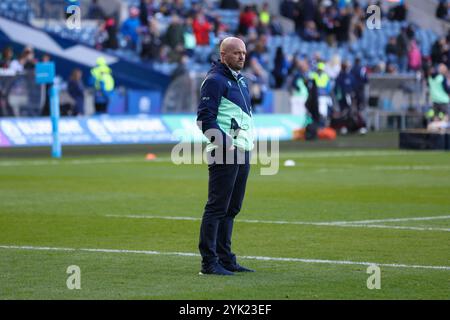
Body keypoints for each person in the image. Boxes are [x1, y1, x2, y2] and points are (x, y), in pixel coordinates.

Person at [196, 37, 255, 276]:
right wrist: (224, 143)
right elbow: (204, 118)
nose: (242, 56)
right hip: (225, 153)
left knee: (232, 208)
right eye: (236, 53)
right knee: (217, 208)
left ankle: (225, 258)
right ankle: (209, 263)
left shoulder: (240, 81)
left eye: (243, 52)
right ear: (223, 55)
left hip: (242, 151)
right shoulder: (215, 81)